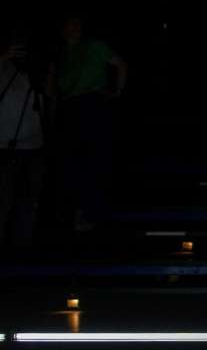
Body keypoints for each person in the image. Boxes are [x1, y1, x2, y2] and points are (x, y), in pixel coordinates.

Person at [52, 14, 127, 233]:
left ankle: (94, 212)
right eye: (70, 24)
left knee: (92, 158)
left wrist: (117, 91)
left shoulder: (94, 46)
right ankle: (78, 212)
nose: (74, 28)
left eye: (77, 24)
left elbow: (121, 64)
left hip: (91, 104)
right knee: (73, 162)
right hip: (69, 108)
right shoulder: (61, 55)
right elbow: (56, 89)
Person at [0, 28, 48, 253]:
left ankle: (23, 247)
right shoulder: (3, 67)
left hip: (35, 144)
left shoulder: (37, 69)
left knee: (30, 199)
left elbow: (49, 99)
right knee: (5, 197)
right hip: (6, 144)